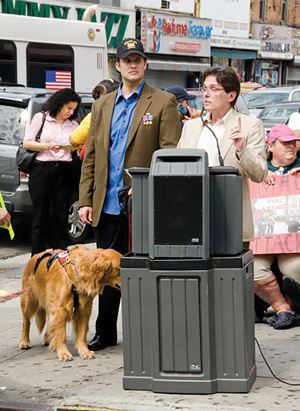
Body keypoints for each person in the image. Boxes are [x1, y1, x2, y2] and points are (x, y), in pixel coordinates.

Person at [79, 37, 181, 351]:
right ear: (118, 66)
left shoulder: (163, 102)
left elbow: (169, 153)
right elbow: (92, 155)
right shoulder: (101, 104)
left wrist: (148, 184)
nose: (133, 64)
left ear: (145, 64)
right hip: (106, 204)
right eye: (127, 60)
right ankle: (106, 333)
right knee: (107, 272)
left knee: (144, 271)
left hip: (143, 206)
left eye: (138, 59)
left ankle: (145, 335)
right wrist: (85, 200)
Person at [177, 66, 268, 247]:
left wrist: (242, 150)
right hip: (191, 219)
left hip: (231, 220)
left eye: (213, 89)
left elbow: (260, 174)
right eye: (205, 89)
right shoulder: (191, 126)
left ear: (231, 95)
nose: (206, 94)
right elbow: (177, 167)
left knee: (227, 275)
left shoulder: (250, 125)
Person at [23, 88, 81, 255]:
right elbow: (27, 143)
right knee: (40, 215)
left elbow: (76, 147)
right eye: (68, 108)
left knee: (61, 215)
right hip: (42, 169)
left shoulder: (74, 124)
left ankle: (60, 255)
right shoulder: (42, 118)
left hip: (64, 170)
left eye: (73, 109)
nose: (71, 112)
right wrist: (46, 146)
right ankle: (37, 257)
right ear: (59, 104)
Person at [254, 124, 300, 329]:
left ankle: (294, 308)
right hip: (264, 239)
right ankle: (283, 309)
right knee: (253, 270)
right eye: (285, 143)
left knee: (294, 268)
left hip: (293, 239)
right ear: (270, 146)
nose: (291, 146)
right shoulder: (258, 170)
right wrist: (261, 177)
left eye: (293, 143)